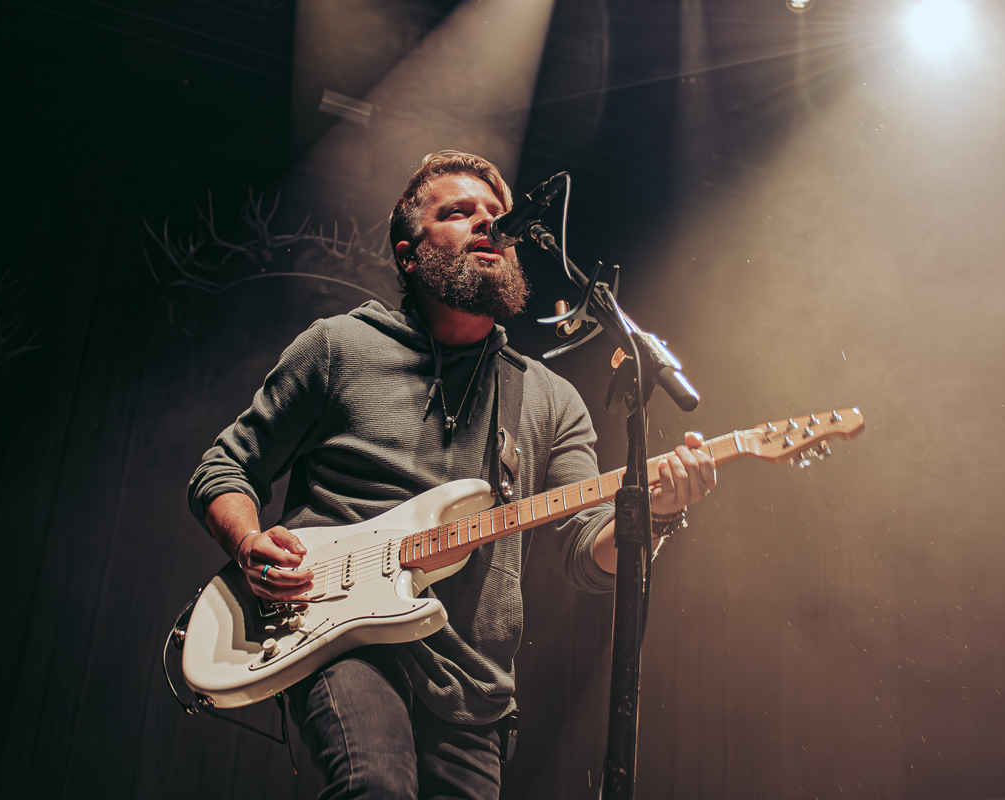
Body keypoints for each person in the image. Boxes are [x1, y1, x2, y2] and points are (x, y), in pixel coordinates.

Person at [187, 151, 716, 799]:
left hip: (472, 686)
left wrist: (656, 513)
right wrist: (249, 542)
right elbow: (225, 466)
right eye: (459, 212)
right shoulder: (339, 347)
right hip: (338, 638)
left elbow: (588, 554)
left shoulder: (549, 399)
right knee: (375, 785)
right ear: (409, 255)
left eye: (497, 215)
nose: (487, 224)